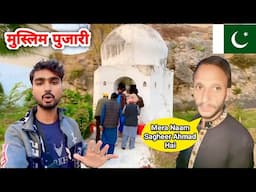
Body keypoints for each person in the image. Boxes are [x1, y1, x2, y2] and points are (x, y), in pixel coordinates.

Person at [0, 59, 117, 168]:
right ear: (33, 90)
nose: (47, 88)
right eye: (40, 83)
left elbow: (81, 150)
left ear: (62, 87)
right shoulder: (18, 132)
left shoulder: (71, 124)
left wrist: (89, 159)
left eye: (54, 82)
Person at [176, 55, 254, 168]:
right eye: (199, 87)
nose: (205, 98)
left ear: (227, 93)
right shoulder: (193, 122)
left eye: (216, 88)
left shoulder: (241, 141)